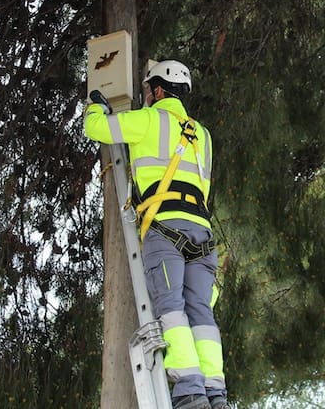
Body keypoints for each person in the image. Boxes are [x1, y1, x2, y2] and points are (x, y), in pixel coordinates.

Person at [84, 60, 228, 409]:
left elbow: (97, 129)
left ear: (158, 90)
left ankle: (190, 392)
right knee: (201, 313)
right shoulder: (203, 135)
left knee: (171, 308)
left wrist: (94, 107)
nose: (146, 95)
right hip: (202, 234)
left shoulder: (149, 119)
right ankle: (215, 393)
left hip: (165, 230)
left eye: (148, 90)